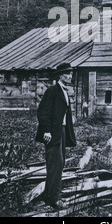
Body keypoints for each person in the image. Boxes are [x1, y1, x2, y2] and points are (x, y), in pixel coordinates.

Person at [35, 62, 76, 209]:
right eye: (67, 74)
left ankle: (50, 195)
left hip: (62, 132)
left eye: (71, 73)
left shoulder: (65, 91)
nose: (70, 76)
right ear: (60, 75)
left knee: (60, 164)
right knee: (55, 164)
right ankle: (54, 198)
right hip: (52, 133)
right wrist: (46, 130)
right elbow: (42, 111)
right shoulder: (52, 90)